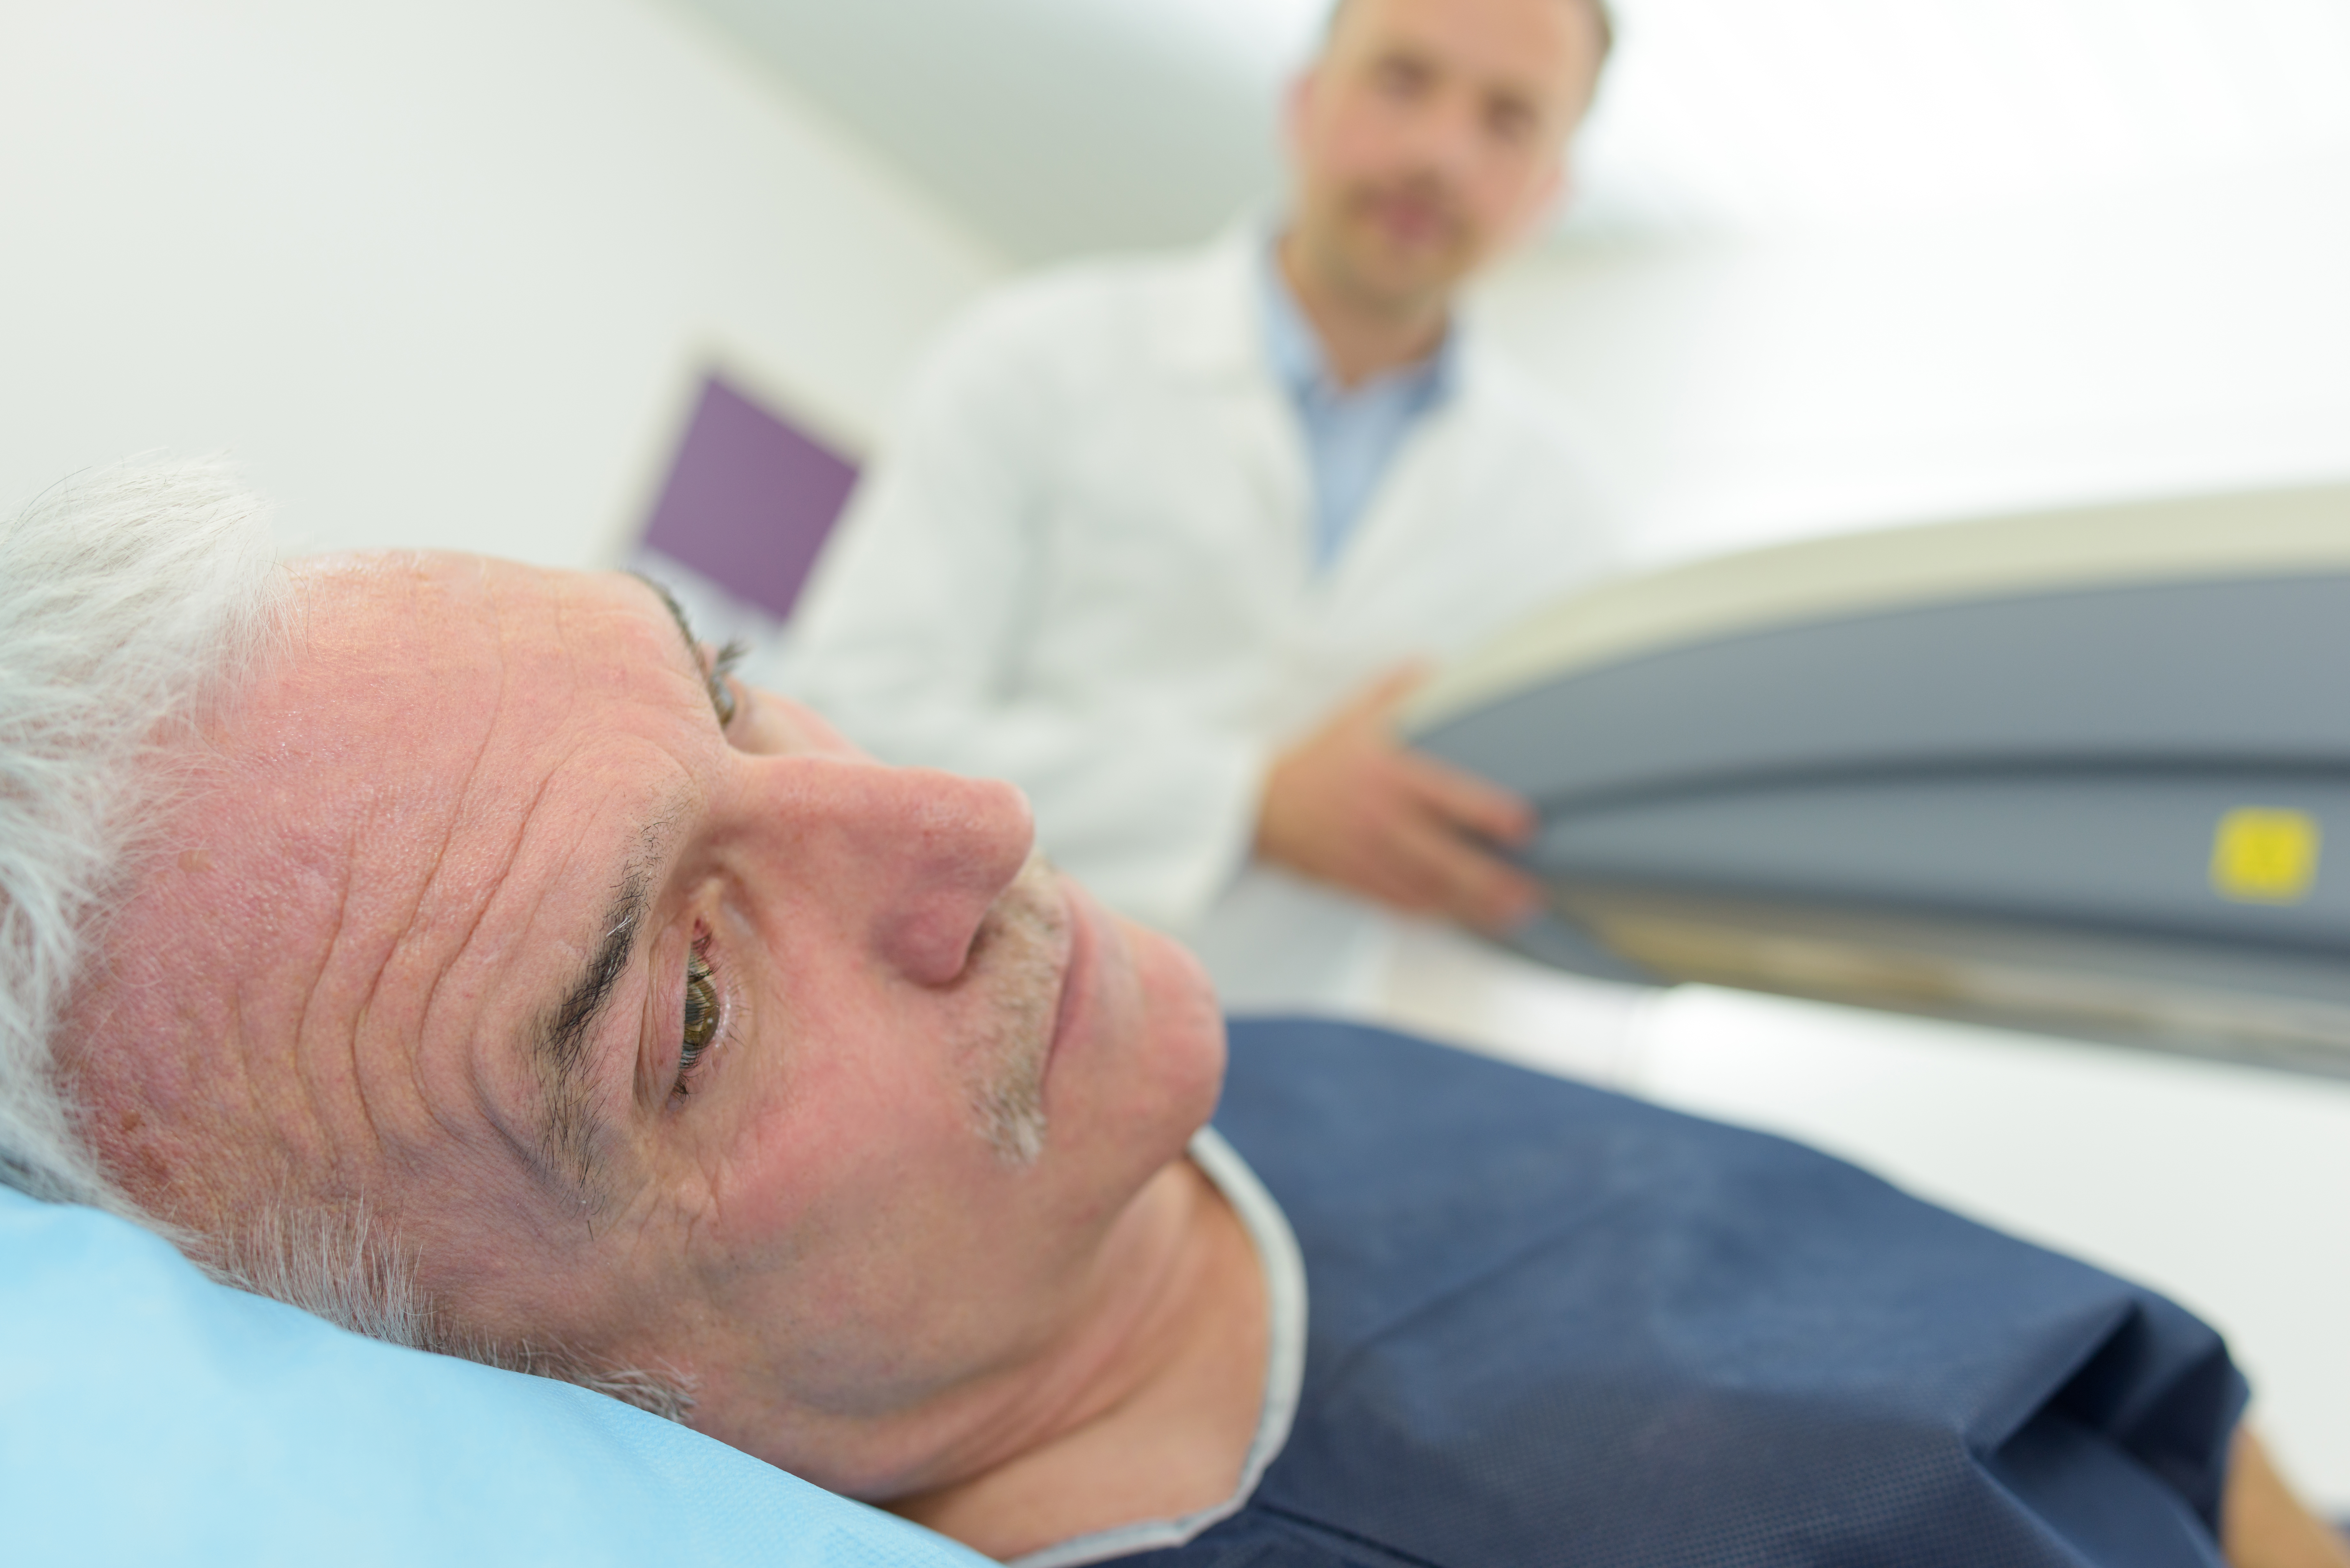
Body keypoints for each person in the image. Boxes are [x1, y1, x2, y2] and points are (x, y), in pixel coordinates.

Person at [7, 464, 2349, 1568]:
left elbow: (2163, 1413)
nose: (972, 823)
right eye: (696, 1002)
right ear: (471, 1374)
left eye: (728, 689)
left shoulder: (1278, 1101)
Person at [780, 0, 1620, 1019]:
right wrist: (1253, 807)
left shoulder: (1564, 518)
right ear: (1304, 102)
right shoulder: (1036, 356)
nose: (1440, 153)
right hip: (932, 1014)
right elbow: (843, 728)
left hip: (1291, 1076)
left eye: (1509, 120)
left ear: (1553, 190)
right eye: (1403, 81)